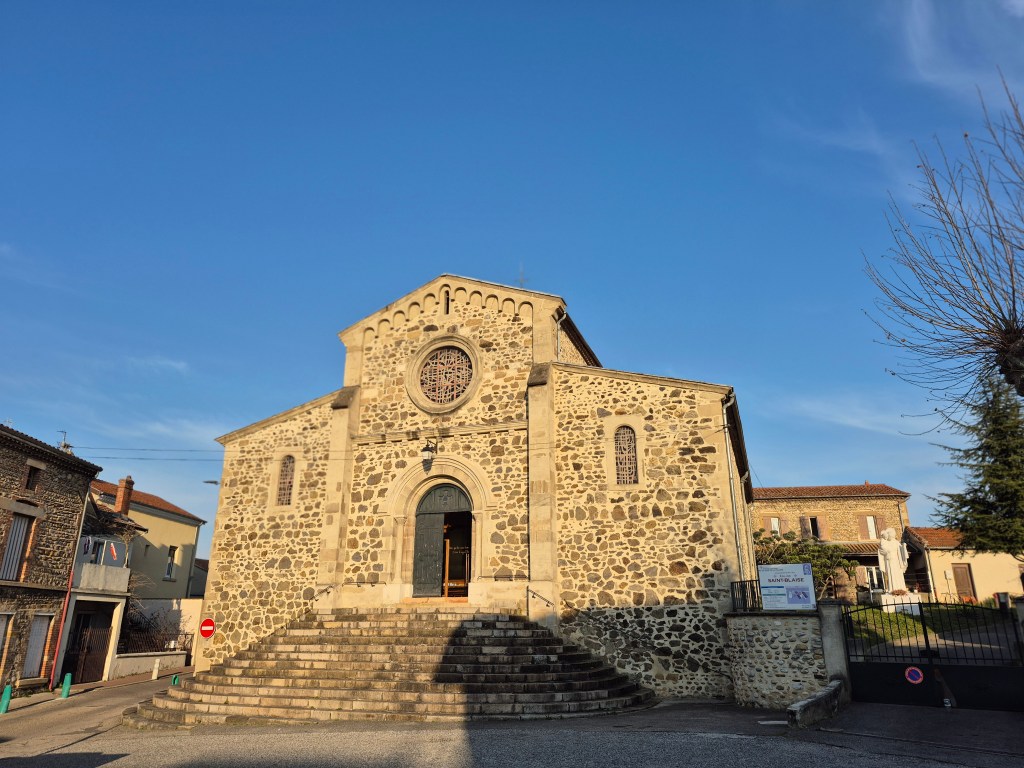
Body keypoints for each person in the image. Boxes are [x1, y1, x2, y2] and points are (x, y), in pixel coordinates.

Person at [877, 527, 909, 593]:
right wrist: (883, 537)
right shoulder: (886, 543)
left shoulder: (896, 542)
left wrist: (904, 547)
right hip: (890, 561)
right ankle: (892, 589)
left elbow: (901, 551)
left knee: (899, 574)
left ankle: (901, 589)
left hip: (897, 561)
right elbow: (882, 548)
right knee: (891, 574)